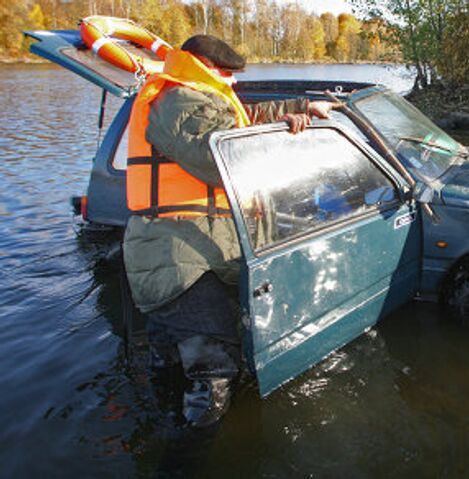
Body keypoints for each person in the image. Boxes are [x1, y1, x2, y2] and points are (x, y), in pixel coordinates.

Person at [122, 34, 336, 428]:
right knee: (213, 375)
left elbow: (242, 119)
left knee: (171, 367)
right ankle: (188, 462)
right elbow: (218, 159)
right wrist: (281, 143)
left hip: (192, 250)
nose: (232, 81)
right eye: (225, 72)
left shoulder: (196, 96)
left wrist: (301, 108)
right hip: (181, 257)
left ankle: (158, 433)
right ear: (202, 64)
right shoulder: (180, 100)